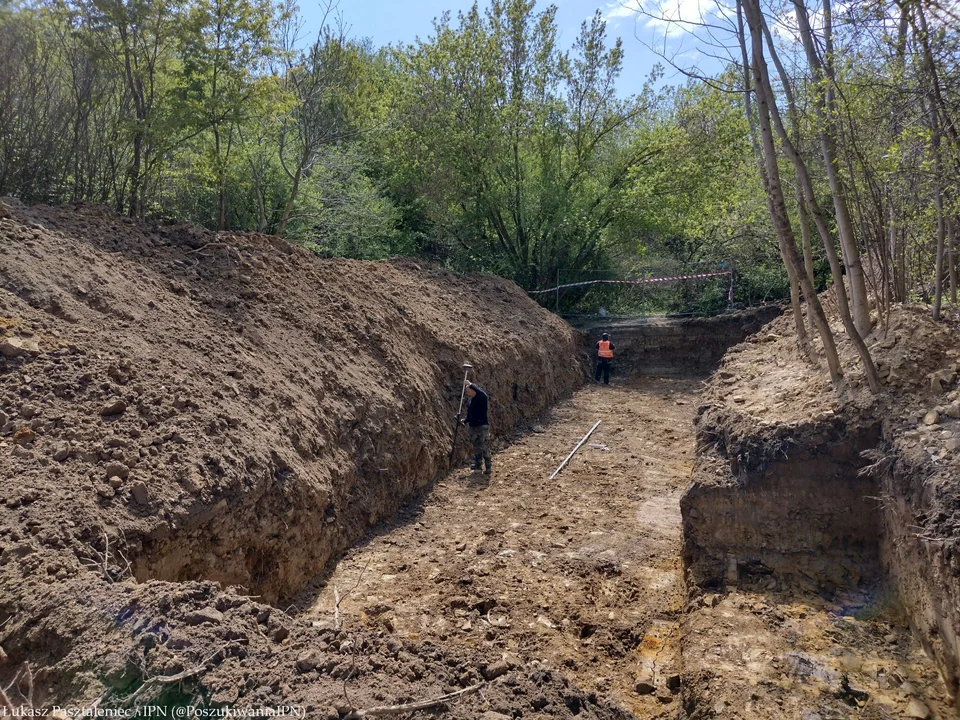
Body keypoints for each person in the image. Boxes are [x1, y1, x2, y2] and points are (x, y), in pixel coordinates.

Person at [462, 382, 492, 474]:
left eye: (468, 391)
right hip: (473, 426)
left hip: (482, 426)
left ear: (473, 390)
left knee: (485, 445)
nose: (467, 394)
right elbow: (470, 413)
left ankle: (488, 467)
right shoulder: (470, 401)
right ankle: (478, 464)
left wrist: (470, 384)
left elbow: (482, 393)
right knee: (476, 446)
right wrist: (465, 420)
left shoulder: (481, 398)